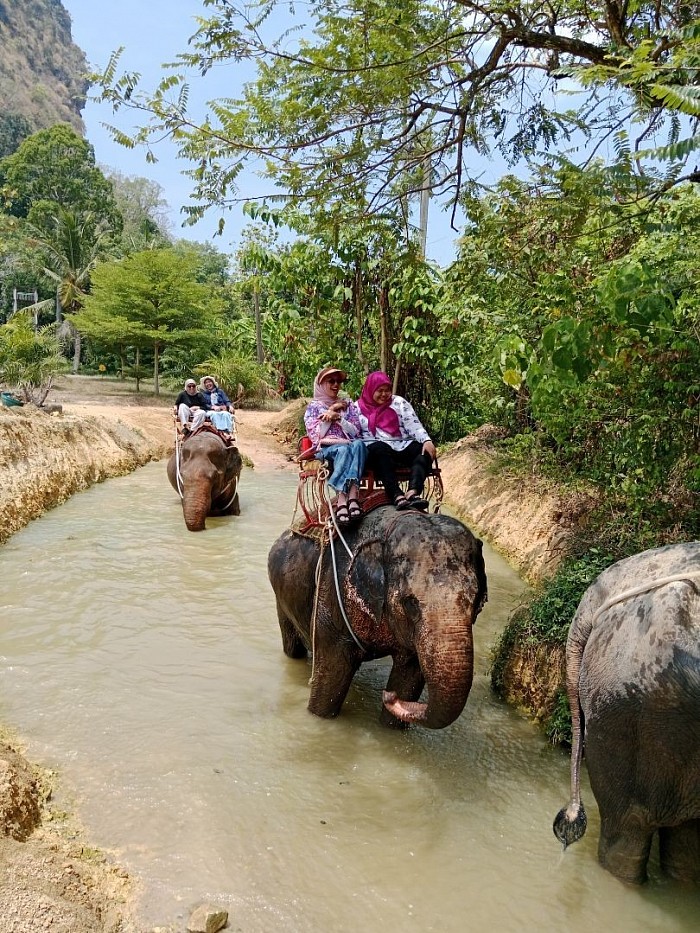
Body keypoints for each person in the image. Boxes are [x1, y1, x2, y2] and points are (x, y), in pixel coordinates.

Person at [358, 371, 437, 511]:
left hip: (401, 444)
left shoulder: (399, 402)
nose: (384, 394)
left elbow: (414, 425)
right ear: (370, 390)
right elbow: (353, 432)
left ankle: (413, 491)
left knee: (422, 450)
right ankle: (395, 493)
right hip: (376, 449)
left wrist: (426, 440)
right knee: (379, 448)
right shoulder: (357, 408)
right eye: (380, 391)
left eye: (387, 390)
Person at [304, 366, 367, 525]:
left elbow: (356, 432)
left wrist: (338, 418)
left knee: (359, 444)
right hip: (327, 448)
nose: (336, 385)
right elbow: (316, 435)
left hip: (350, 443)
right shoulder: (313, 407)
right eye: (331, 381)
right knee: (343, 449)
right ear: (321, 384)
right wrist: (330, 413)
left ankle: (353, 495)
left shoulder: (348, 404)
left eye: (338, 381)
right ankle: (341, 500)